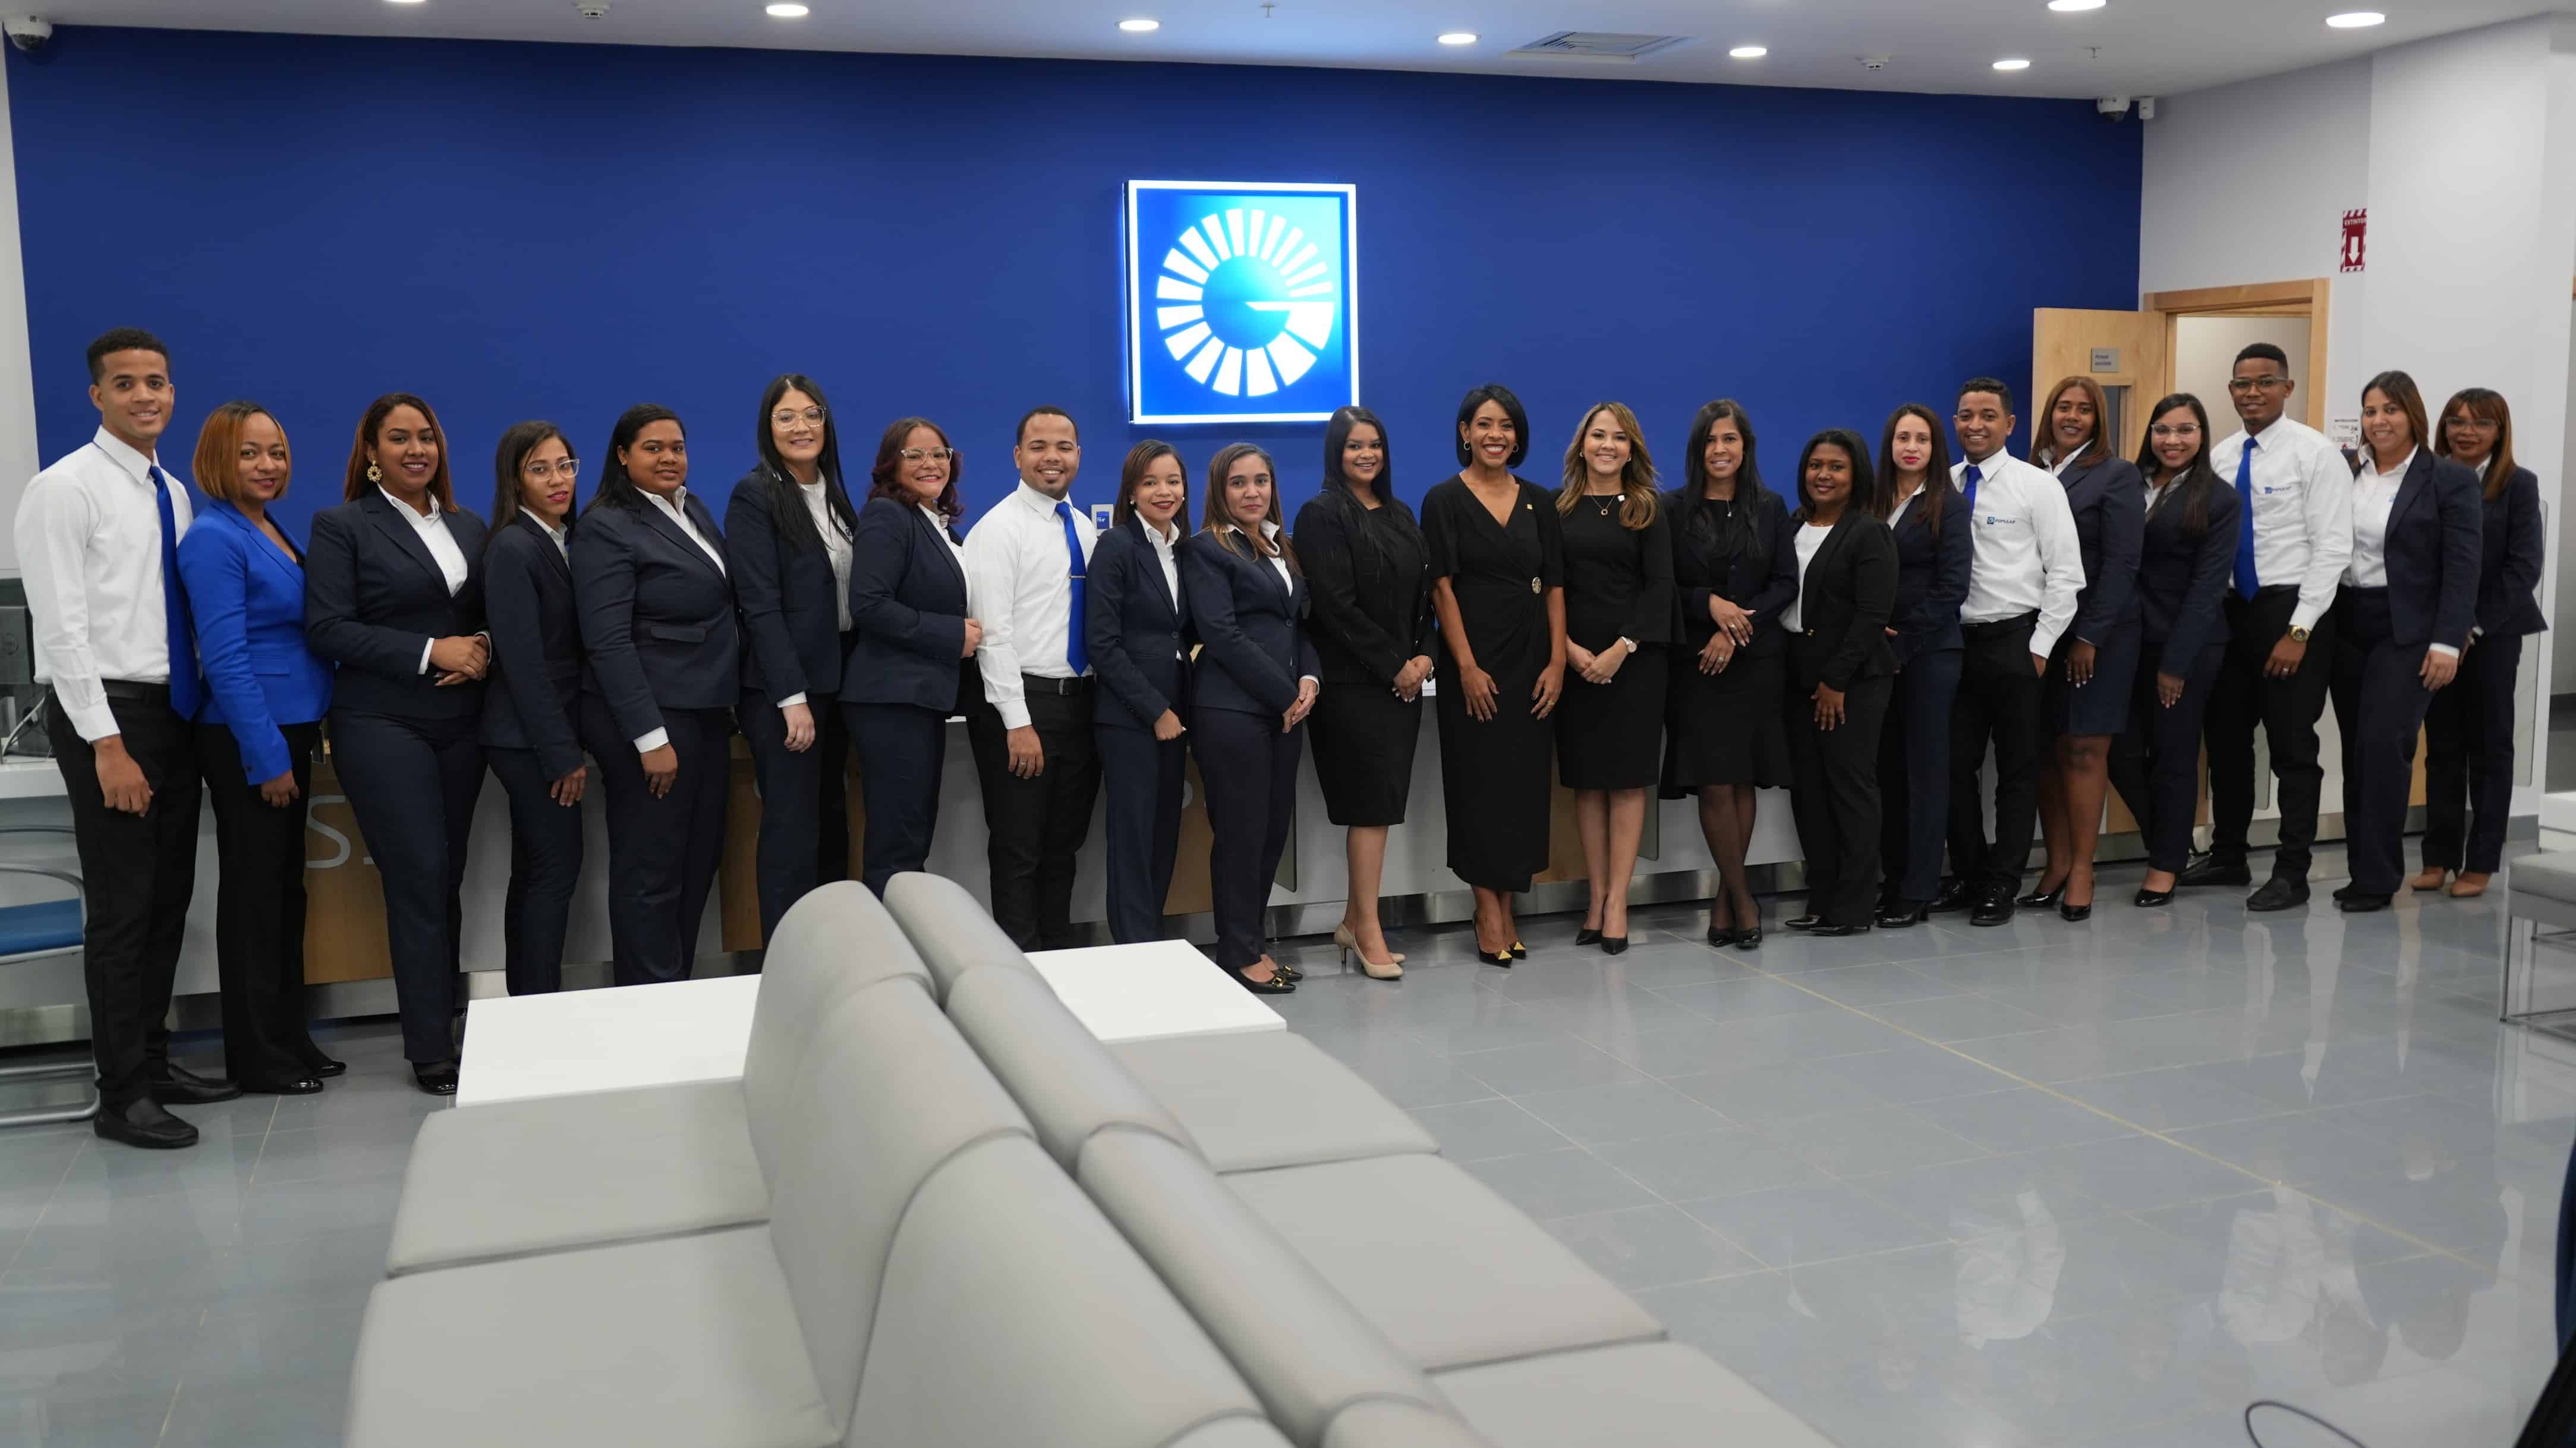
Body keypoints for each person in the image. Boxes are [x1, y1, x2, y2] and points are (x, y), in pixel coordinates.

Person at [14, 329, 233, 1147]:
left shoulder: (170, 491)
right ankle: (122, 1095)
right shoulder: (62, 488)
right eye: (128, 384)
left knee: (169, 900)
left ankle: (154, 1058)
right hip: (111, 714)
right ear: (97, 396)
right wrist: (106, 742)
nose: (147, 396)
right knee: (122, 911)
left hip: (170, 709)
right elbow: (63, 628)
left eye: (159, 383)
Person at [304, 393, 489, 1095]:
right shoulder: (342, 525)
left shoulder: (469, 527)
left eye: (427, 438)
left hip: (462, 725)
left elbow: (491, 613)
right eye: (400, 439)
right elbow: (327, 628)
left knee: (446, 879)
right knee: (417, 878)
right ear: (373, 454)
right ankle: (430, 1049)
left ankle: (446, 1019)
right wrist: (429, 651)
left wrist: (482, 647)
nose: (417, 449)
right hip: (382, 722)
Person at [178, 402, 336, 1094]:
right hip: (249, 736)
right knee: (254, 898)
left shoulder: (266, 526)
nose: (267, 465)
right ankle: (256, 1055)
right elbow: (226, 656)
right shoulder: (214, 538)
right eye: (249, 453)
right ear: (219, 458)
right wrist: (265, 756)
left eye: (275, 452)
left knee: (283, 896)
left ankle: (287, 1034)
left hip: (292, 724)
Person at [2181, 343, 2352, 911]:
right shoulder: (2223, 457)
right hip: (2232, 614)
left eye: (2265, 382)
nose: (2252, 393)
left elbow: (2332, 548)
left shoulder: (2316, 454)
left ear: (2288, 387)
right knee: (2227, 740)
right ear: (2230, 390)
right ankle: (2229, 855)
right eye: (2242, 384)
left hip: (2292, 611)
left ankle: (2292, 870)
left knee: (2291, 745)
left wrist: (2299, 630)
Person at [573, 404, 738, 983]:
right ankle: (645, 1006)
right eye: (653, 448)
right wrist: (649, 737)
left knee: (697, 862)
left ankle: (677, 995)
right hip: (654, 721)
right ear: (622, 456)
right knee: (651, 872)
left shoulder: (689, 507)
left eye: (677, 447)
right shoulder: (604, 525)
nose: (669, 458)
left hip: (706, 712)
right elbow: (608, 641)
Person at [1422, 384, 1566, 965]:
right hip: (1475, 664)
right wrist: (1465, 666)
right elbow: (1441, 588)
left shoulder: (1539, 500)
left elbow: (1555, 584)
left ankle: (1509, 901)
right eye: (1483, 424)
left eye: (1505, 425)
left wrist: (1557, 661)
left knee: (1522, 787)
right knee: (1477, 784)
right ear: (1464, 433)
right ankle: (1486, 907)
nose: (1494, 435)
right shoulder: (1443, 501)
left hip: (1533, 659)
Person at [1932, 377, 2083, 927]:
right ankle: (1969, 875)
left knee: (2019, 771)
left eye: (1988, 416)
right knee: (1954, 766)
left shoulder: (2036, 487)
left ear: (2010, 424)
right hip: (1954, 645)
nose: (1976, 425)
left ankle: (2002, 882)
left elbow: (2067, 575)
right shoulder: (1942, 486)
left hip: (2017, 642)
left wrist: (2040, 649)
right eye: (1966, 415)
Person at [2328, 370, 2480, 914]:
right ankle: (2361, 869)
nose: (2379, 421)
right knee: (2355, 751)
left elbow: (2464, 569)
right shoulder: (2345, 469)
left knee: (2384, 746)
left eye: (2390, 410)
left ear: (2413, 414)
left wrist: (2448, 640)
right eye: (2370, 411)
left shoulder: (2448, 479)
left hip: (2409, 629)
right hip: (2348, 621)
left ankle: (2378, 877)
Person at [1294, 406, 1431, 978]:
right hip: (1353, 689)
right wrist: (1395, 664)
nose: (1366, 454)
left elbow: (1426, 595)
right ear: (1336, 453)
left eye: (1374, 444)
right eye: (1354, 446)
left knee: (1382, 808)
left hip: (1403, 684)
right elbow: (1335, 608)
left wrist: (1424, 656)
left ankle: (1353, 921)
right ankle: (1368, 930)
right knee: (1369, 809)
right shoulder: (1322, 515)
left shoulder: (1400, 513)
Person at [726, 375, 858, 945]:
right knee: (791, 833)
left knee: (831, 823)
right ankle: (788, 965)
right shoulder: (754, 495)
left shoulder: (837, 494)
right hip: (787, 695)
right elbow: (760, 605)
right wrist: (791, 698)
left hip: (840, 684)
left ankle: (832, 958)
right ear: (768, 427)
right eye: (786, 417)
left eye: (811, 414)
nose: (801, 427)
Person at [963, 405, 1101, 950]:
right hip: (1021, 705)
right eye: (1039, 447)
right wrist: (1017, 723)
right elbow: (992, 635)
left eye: (1064, 447)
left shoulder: (1086, 529)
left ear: (1078, 456)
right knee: (1019, 846)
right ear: (1018, 456)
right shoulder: (998, 530)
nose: (1052, 457)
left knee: (1064, 844)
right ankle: (1021, 965)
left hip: (1079, 704)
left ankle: (1056, 955)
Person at [1182, 443, 1318, 993]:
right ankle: (1238, 954)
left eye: (1261, 481)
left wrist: (1309, 680)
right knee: (1240, 835)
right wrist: (1285, 693)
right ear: (1220, 490)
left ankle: (1253, 943)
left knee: (1269, 836)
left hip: (1285, 712)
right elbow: (1222, 635)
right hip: (1232, 712)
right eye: (1239, 483)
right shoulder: (1206, 550)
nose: (1252, 492)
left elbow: (1298, 626)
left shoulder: (1280, 544)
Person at [1663, 399, 1793, 949]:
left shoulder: (1770, 506)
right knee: (1715, 783)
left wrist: (1735, 627)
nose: (1721, 450)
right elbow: (1663, 584)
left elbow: (1785, 583)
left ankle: (1727, 899)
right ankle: (1743, 898)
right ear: (1699, 450)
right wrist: (1709, 606)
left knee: (1743, 780)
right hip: (1696, 667)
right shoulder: (1672, 510)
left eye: (1731, 440)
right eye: (1711, 441)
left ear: (1746, 448)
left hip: (1755, 661)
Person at [2415, 388, 2545, 899]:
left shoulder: (2517, 484)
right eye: (2456, 421)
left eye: (2480, 423)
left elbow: (2523, 568)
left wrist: (2469, 628)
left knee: (2490, 746)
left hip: (2493, 633)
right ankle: (2438, 858)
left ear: (2499, 431)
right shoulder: (2427, 478)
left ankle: (2482, 861)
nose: (2466, 432)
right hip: (2435, 634)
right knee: (2442, 747)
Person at [1554, 402, 1673, 955]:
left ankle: (1619, 902)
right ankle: (1595, 898)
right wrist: (1571, 651)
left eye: (1619, 438)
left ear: (1632, 449)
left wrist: (1621, 649)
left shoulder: (1649, 509)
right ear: (1582, 445)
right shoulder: (1558, 509)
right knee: (1587, 783)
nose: (1608, 445)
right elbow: (1551, 590)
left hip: (1634, 665)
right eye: (1598, 435)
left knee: (1625, 783)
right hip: (1576, 666)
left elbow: (1659, 590)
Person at [2108, 395, 2237, 907]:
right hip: (2123, 641)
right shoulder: (2127, 481)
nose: (2172, 441)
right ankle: (2169, 839)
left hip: (2184, 646)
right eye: (2163, 429)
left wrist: (2175, 665)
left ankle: (2163, 867)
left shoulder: (2219, 499)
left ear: (2202, 435)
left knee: (2174, 756)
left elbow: (2209, 588)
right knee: (2118, 751)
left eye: (2185, 430)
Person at [2024, 376, 2143, 923]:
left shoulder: (2116, 475)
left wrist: (2091, 637)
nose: (2072, 417)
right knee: (2047, 751)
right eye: (2063, 408)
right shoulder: (2029, 474)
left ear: (2099, 420)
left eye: (2084, 410)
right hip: (2038, 635)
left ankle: (2082, 872)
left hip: (2098, 635)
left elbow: (2121, 564)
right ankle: (2057, 862)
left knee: (2084, 750)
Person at [845, 417, 979, 894]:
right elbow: (868, 604)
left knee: (911, 834)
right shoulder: (887, 516)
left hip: (919, 701)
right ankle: (893, 961)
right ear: (890, 464)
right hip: (891, 702)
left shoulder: (936, 524)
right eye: (915, 455)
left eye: (939, 454)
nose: (930, 464)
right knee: (897, 844)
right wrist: (951, 635)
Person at [480, 421, 586, 995]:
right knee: (551, 872)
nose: (557, 479)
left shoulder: (564, 537)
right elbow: (523, 663)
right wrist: (561, 753)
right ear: (515, 481)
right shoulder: (514, 546)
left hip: (540, 734)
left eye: (565, 465)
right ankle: (538, 1008)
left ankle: (529, 1002)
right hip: (528, 738)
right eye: (540, 469)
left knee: (540, 871)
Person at [1780, 430, 1898, 937]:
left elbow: (1873, 614)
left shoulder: (1868, 532)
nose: (1824, 476)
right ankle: (1821, 897)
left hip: (1851, 682)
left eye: (1837, 467)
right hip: (1795, 676)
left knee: (1850, 790)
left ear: (1857, 477)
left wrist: (1836, 681)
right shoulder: (1791, 525)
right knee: (1808, 793)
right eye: (1816, 466)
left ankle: (1852, 907)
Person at [1088, 442, 1193, 946]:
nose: (1164, 491)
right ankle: (1135, 951)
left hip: (1176, 716)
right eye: (1151, 482)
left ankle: (1153, 943)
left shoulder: (1184, 547)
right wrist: (1155, 711)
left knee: (1162, 837)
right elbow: (1102, 645)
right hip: (1132, 719)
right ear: (1131, 493)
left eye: (1172, 481)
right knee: (1132, 841)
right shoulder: (1117, 547)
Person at [1872, 404, 1970, 928]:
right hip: (1877, 657)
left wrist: (1903, 643)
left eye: (1923, 439)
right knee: (1886, 771)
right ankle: (1891, 880)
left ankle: (1920, 888)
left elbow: (1952, 588)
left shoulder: (1947, 506)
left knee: (1925, 773)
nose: (1912, 446)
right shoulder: (1871, 500)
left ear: (1936, 450)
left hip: (1929, 654)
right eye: (1903, 437)